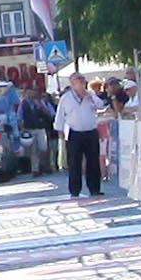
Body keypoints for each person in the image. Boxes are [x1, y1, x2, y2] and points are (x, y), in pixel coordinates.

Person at [55, 68, 113, 198]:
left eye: (83, 81)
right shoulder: (66, 98)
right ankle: (75, 190)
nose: (81, 84)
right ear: (72, 84)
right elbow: (60, 115)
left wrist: (89, 98)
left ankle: (94, 189)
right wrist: (60, 130)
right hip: (74, 133)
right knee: (74, 162)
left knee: (93, 161)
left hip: (90, 131)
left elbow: (100, 105)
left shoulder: (90, 94)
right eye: (78, 82)